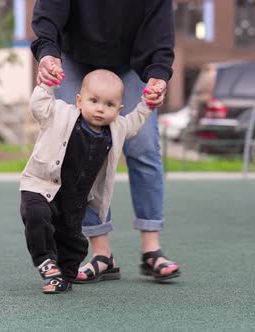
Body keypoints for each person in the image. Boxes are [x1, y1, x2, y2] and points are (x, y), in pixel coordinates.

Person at [31, 0, 180, 283]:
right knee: (82, 149)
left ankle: (152, 250)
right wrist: (48, 52)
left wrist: (158, 76)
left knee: (144, 145)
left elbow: (160, 34)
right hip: (76, 57)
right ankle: (102, 254)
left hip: (132, 63)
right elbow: (49, 13)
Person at [19, 66, 160, 294]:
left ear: (119, 109)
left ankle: (62, 276)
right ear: (79, 100)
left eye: (109, 105)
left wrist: (147, 105)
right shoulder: (60, 113)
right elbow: (38, 106)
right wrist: (47, 84)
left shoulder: (116, 128)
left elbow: (134, 123)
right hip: (42, 184)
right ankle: (45, 261)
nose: (100, 109)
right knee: (37, 216)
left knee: (73, 242)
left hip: (75, 199)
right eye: (93, 101)